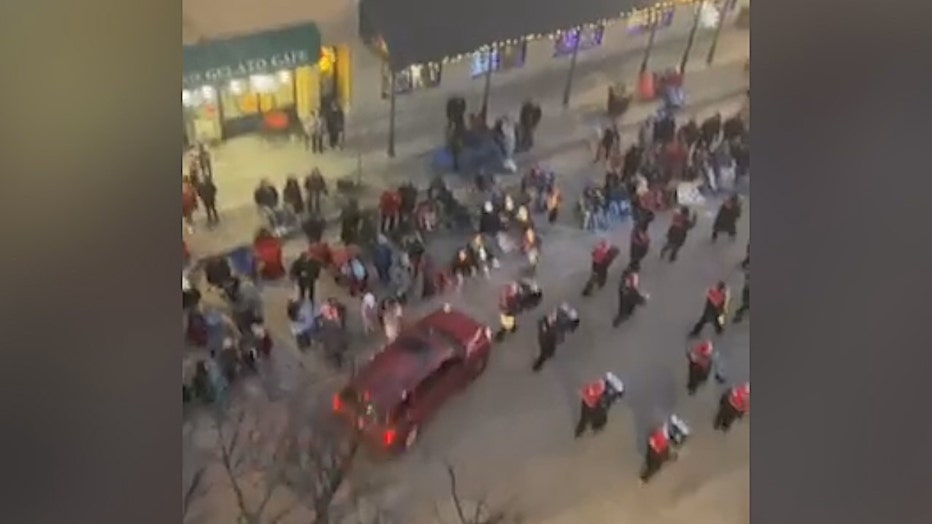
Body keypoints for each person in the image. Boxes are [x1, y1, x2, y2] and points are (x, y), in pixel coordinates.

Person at [574, 373, 625, 437]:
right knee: (584, 421)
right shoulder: (599, 387)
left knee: (599, 421)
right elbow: (585, 392)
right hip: (589, 405)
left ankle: (592, 433)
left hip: (596, 406)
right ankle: (579, 435)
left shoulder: (608, 393)